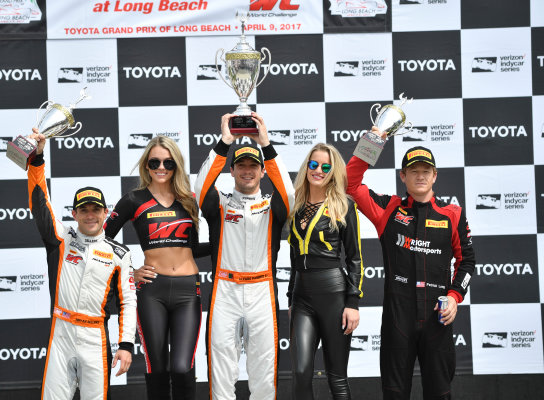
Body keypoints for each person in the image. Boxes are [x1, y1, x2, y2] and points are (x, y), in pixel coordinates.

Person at [346, 128, 475, 400]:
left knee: (439, 394)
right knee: (394, 394)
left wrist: (454, 297)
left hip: (437, 321)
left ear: (435, 176)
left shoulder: (453, 214)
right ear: (402, 176)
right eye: (413, 170)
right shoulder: (388, 209)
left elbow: (467, 261)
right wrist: (375, 138)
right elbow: (351, 184)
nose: (420, 175)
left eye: (426, 170)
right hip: (397, 322)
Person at [27, 130, 136, 400]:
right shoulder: (61, 239)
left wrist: (125, 345)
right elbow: (40, 202)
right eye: (83, 210)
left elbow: (128, 302)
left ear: (105, 213)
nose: (90, 215)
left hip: (95, 337)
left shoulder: (119, 253)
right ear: (73, 213)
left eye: (95, 209)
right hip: (62, 333)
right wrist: (37, 158)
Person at [194, 112, 295, 400]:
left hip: (262, 290)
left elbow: (289, 195)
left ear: (263, 171)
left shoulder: (273, 206)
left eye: (254, 165)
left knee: (264, 374)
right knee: (221, 372)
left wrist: (266, 144)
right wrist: (224, 142)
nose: (247, 170)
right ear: (232, 170)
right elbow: (200, 188)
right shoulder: (220, 204)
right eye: (241, 165)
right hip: (225, 291)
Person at [104, 135, 207, 400]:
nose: (161, 167)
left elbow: (193, 248)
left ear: (176, 165)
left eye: (168, 162)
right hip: (151, 291)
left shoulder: (188, 199)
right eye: (155, 162)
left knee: (183, 368)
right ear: (146, 165)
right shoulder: (133, 199)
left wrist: (225, 244)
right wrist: (129, 273)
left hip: (187, 290)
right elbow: (101, 244)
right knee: (157, 368)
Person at [287, 143, 364, 399]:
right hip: (301, 298)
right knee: (300, 372)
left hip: (334, 295)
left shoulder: (344, 205)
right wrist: (290, 297)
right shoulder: (296, 205)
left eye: (325, 166)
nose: (318, 170)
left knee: (337, 377)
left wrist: (353, 302)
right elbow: (294, 255)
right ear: (306, 167)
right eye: (313, 164)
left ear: (333, 171)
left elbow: (354, 257)